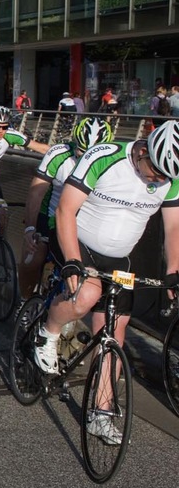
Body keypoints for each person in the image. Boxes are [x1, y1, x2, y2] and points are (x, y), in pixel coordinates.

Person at [33, 121, 179, 446]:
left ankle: (100, 411)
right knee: (86, 294)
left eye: (165, 178)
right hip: (77, 239)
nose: (157, 181)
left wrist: (173, 270)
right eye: (154, 172)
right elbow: (66, 210)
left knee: (115, 331)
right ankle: (49, 330)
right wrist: (72, 259)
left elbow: (173, 228)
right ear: (143, 150)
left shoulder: (171, 175)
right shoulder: (106, 156)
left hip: (119, 257)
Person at [19, 117, 114, 300]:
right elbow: (36, 192)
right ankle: (24, 301)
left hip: (85, 222)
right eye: (81, 152)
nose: (85, 158)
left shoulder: (111, 163)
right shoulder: (58, 154)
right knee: (34, 258)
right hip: (51, 215)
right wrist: (30, 228)